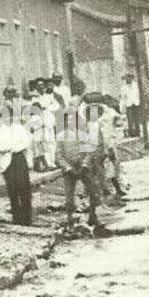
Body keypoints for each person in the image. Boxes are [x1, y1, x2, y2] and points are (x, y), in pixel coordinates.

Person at [55, 97, 102, 228]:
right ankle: (70, 220)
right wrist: (67, 167)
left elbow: (89, 150)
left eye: (73, 118)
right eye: (67, 118)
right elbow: (58, 156)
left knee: (93, 191)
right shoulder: (60, 136)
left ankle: (93, 215)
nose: (70, 121)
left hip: (83, 167)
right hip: (69, 169)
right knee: (69, 196)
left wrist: (85, 164)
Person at [0, 94, 34, 225]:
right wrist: (14, 146)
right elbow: (1, 146)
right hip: (7, 161)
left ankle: (27, 217)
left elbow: (26, 142)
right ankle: (17, 217)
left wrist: (14, 147)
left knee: (24, 188)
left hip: (19, 159)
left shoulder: (19, 127)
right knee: (12, 189)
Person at [121, 72, 143, 139]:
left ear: (131, 78)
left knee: (137, 118)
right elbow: (123, 97)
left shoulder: (136, 85)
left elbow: (139, 94)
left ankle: (137, 132)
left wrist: (140, 102)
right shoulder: (123, 87)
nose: (128, 79)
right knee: (130, 119)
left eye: (129, 77)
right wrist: (123, 106)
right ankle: (131, 133)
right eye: (126, 78)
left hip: (136, 103)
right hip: (128, 104)